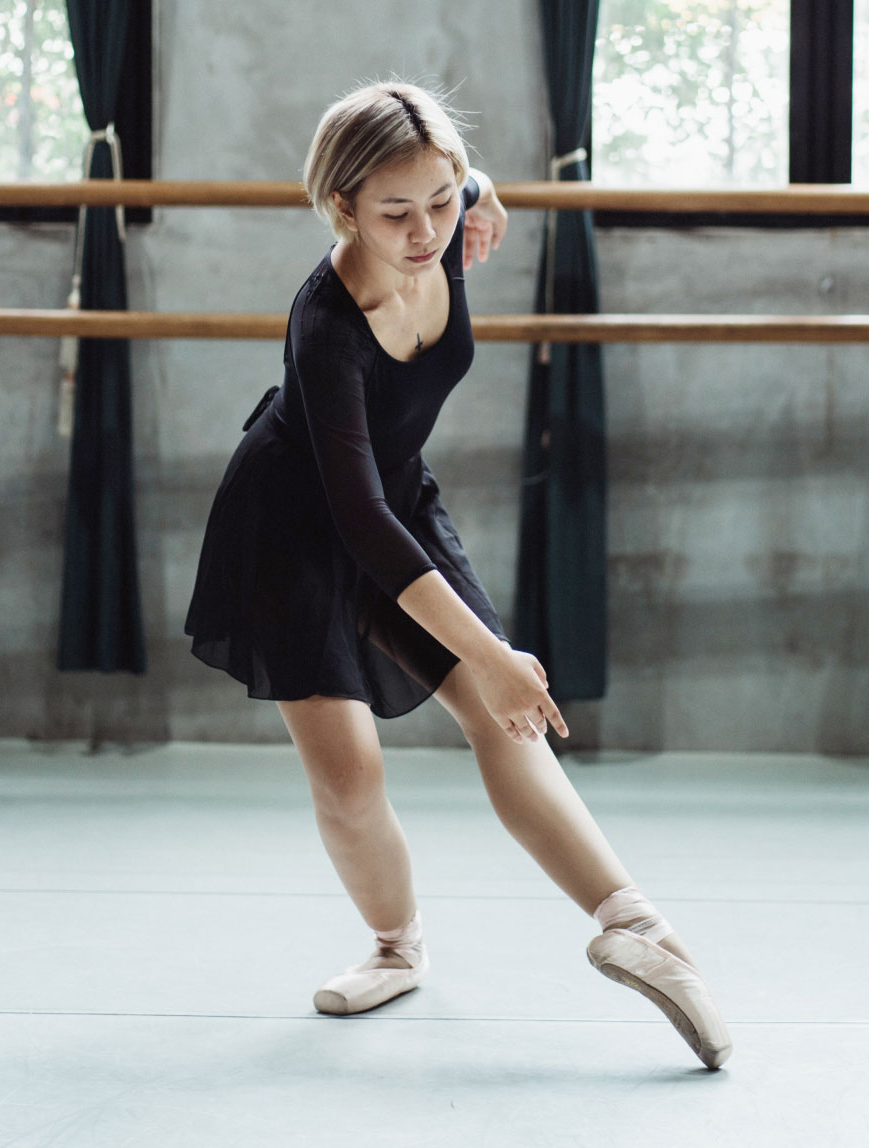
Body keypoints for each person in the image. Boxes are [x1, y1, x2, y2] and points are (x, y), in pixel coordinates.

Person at [186, 81, 731, 1069]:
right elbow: (356, 521)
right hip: (294, 528)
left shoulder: (447, 214)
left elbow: (465, 185)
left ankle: (640, 927)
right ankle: (396, 947)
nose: (426, 230)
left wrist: (484, 192)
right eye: (395, 212)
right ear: (343, 206)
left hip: (396, 499)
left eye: (440, 201)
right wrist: (490, 653)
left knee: (505, 717)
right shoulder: (327, 323)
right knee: (350, 775)